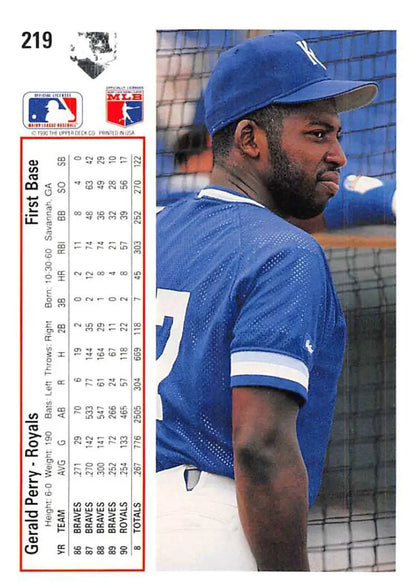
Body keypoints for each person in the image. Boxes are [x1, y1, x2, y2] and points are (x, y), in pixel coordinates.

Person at [156, 31, 378, 571]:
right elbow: (259, 443)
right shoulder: (285, 253)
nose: (338, 154)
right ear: (251, 140)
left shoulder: (151, 229)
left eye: (338, 134)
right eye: (318, 133)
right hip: (215, 529)